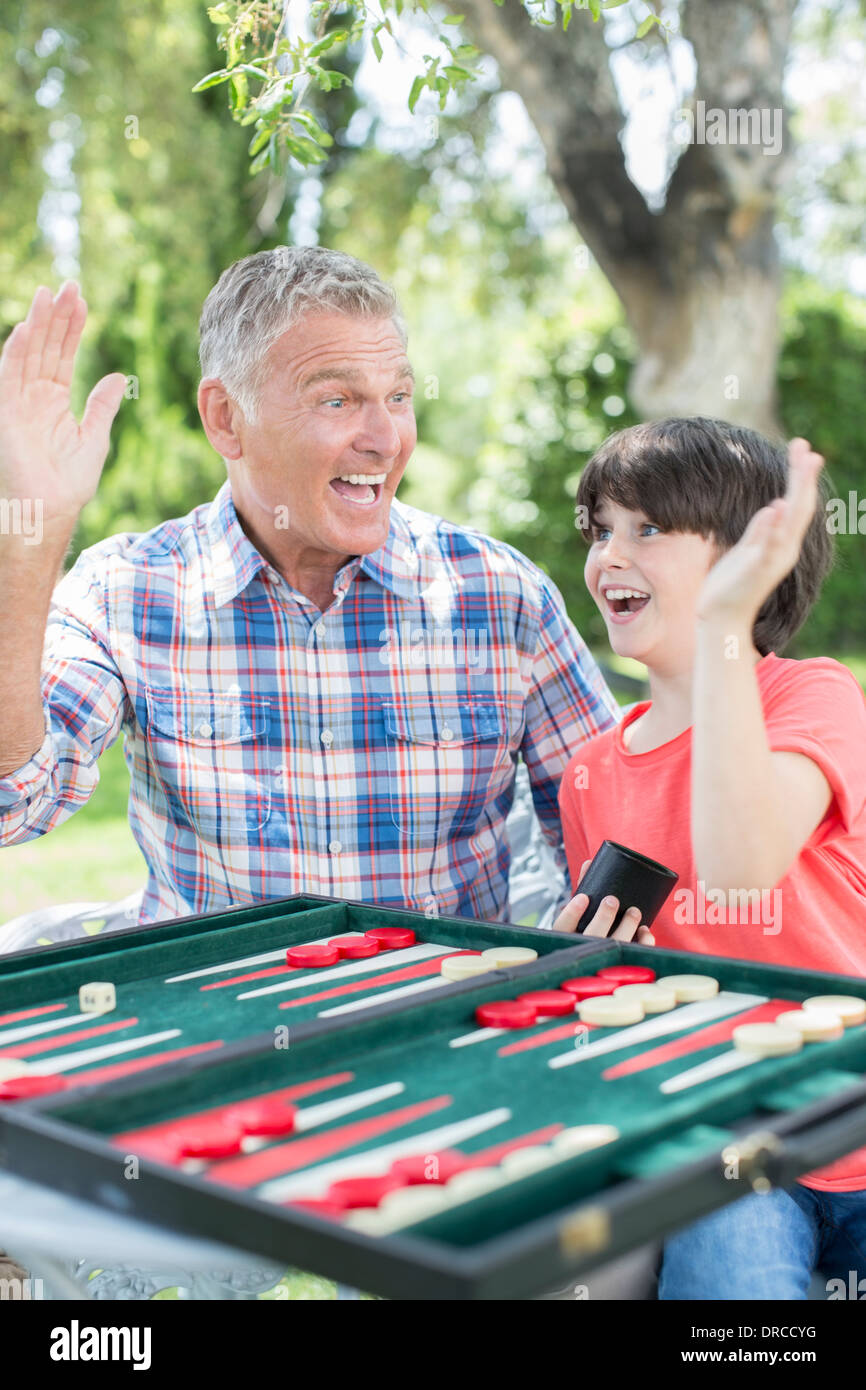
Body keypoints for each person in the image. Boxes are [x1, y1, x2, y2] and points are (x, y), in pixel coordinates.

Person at [0, 246, 627, 931]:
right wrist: (33, 531)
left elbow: (618, 835)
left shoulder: (504, 598)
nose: (386, 439)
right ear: (225, 418)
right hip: (221, 1021)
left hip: (444, 1016)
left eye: (398, 397)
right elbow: (16, 803)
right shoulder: (125, 594)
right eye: (337, 399)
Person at [554, 416, 866, 1299]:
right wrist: (596, 967)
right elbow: (630, 1001)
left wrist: (728, 624)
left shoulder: (814, 697)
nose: (610, 552)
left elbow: (739, 870)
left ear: (749, 559)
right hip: (727, 1143)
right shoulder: (591, 775)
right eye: (601, 527)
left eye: (648, 528)